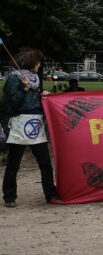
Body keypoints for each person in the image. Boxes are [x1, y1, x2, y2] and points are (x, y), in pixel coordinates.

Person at [3, 48, 60, 206]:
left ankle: (50, 194)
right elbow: (11, 103)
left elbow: (34, 101)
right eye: (38, 62)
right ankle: (9, 196)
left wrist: (43, 97)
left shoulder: (34, 79)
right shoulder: (14, 80)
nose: (39, 65)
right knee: (14, 163)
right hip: (20, 125)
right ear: (30, 63)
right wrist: (25, 89)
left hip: (36, 125)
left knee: (45, 163)